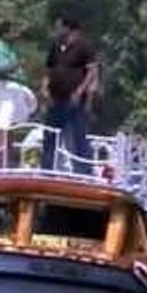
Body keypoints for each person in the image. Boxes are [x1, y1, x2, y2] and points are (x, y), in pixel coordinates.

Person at [40, 14, 100, 174]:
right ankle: (46, 170)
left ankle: (84, 172)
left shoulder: (83, 45)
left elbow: (92, 71)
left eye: (59, 27)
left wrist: (80, 91)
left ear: (68, 28)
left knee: (78, 136)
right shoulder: (55, 46)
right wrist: (44, 87)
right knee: (50, 135)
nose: (57, 30)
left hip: (74, 100)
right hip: (55, 99)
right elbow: (48, 69)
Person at [0, 21, 28, 168]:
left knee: (11, 127)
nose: (15, 34)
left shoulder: (9, 48)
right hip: (4, 90)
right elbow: (0, 68)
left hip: (13, 89)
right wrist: (17, 64)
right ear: (5, 33)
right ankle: (1, 163)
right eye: (12, 31)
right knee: (3, 125)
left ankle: (8, 161)